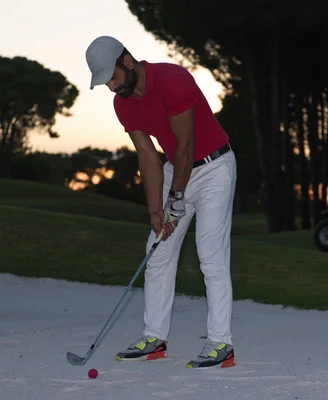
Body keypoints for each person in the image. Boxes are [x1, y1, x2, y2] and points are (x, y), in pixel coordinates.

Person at [85, 35, 237, 369]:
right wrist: (157, 210)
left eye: (111, 77)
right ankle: (154, 338)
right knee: (157, 251)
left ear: (126, 61)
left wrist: (176, 200)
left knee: (210, 256)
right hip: (174, 169)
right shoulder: (123, 103)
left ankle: (221, 344)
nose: (110, 87)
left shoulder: (172, 80)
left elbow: (185, 145)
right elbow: (147, 157)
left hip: (214, 169)